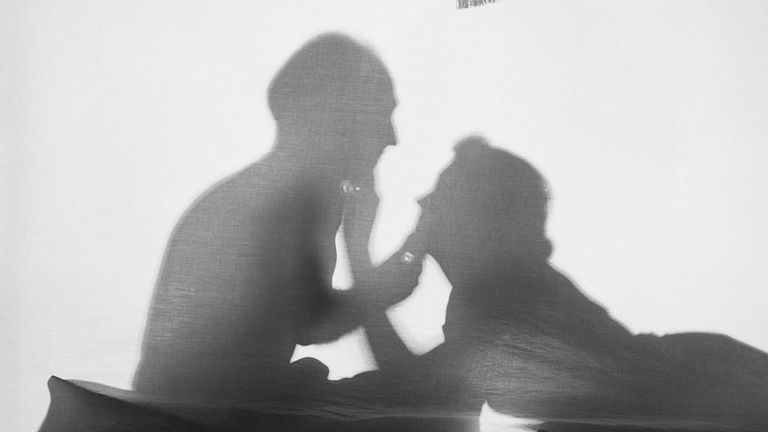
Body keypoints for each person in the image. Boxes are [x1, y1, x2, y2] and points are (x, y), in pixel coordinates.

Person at [38, 33, 423, 431]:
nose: (391, 137)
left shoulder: (275, 191)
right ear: (336, 112)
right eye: (379, 112)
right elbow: (312, 322)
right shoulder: (294, 198)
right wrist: (378, 280)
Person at [350, 135, 768, 431]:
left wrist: (357, 254)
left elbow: (413, 389)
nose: (421, 202)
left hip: (713, 394)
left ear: (473, 219)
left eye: (439, 196)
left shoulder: (497, 295)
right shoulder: (501, 291)